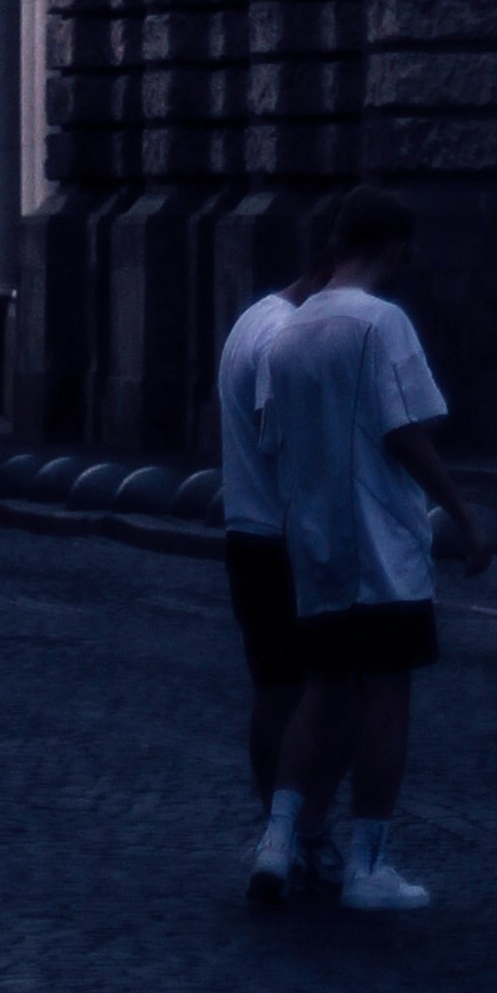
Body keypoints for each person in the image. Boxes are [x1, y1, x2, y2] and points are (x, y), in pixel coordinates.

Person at [253, 192, 497, 918]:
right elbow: (405, 430)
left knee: (322, 691)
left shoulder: (289, 331)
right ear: (394, 247)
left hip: (318, 545)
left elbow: (274, 440)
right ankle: (367, 863)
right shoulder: (382, 323)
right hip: (382, 545)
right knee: (387, 702)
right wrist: (462, 514)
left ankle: (277, 841)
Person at [216, 208, 338, 856]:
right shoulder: (284, 336)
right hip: (281, 536)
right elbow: (281, 439)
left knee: (275, 690)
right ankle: (299, 828)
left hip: (249, 530)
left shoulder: (254, 318)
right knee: (322, 694)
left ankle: (282, 825)